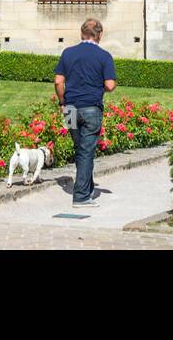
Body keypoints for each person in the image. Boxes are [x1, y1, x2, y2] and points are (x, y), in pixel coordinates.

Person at [54, 18, 117, 208]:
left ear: (81, 33)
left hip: (71, 108)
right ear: (100, 34)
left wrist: (62, 101)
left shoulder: (68, 53)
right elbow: (110, 84)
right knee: (87, 151)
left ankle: (86, 188)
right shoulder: (104, 56)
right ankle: (81, 196)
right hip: (91, 107)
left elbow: (58, 81)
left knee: (79, 149)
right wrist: (99, 89)